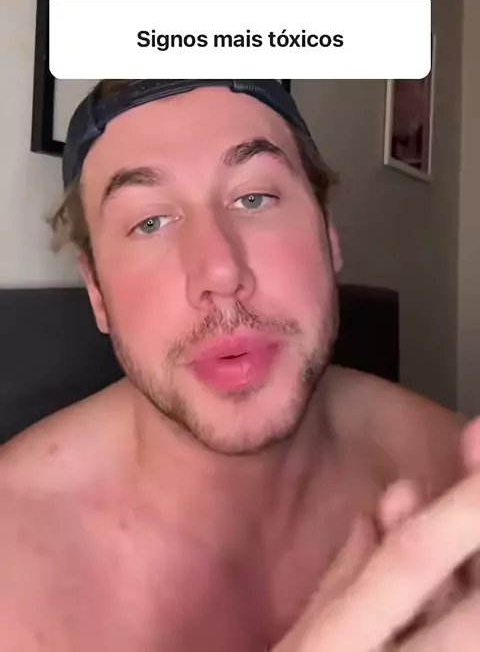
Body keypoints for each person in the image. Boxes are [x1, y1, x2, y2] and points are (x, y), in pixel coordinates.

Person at [0, 78, 477, 650]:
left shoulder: (453, 472)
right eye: (149, 222)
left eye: (254, 198)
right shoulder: (14, 563)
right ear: (97, 293)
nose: (220, 273)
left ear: (328, 236)